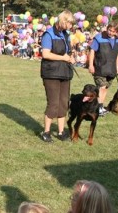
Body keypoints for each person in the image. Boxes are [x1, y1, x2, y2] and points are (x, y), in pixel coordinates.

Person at [39, 11, 76, 143]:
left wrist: (71, 57)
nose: (71, 25)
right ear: (63, 21)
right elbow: (45, 54)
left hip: (65, 72)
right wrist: (63, 58)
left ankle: (61, 132)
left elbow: (68, 52)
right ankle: (46, 132)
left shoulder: (66, 35)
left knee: (64, 103)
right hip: (51, 73)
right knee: (53, 103)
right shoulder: (48, 34)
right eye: (69, 22)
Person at [88, 23, 118, 116]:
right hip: (100, 68)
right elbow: (92, 51)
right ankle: (97, 108)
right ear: (107, 28)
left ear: (116, 32)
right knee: (102, 87)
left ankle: (100, 107)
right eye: (109, 30)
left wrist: (117, 66)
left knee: (106, 88)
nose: (111, 33)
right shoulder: (99, 38)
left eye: (113, 31)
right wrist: (91, 65)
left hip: (111, 68)